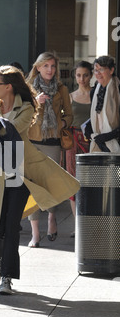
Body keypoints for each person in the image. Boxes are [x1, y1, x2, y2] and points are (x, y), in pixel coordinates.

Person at [0, 65, 79, 295]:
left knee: (11, 226)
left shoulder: (27, 107)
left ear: (8, 87)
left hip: (21, 174)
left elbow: (11, 130)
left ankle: (7, 277)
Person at [26, 52, 73, 247]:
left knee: (52, 184)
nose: (50, 70)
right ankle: (35, 234)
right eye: (46, 66)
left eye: (53, 66)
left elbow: (70, 115)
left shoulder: (61, 89)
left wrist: (61, 123)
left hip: (53, 142)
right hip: (33, 141)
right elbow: (23, 115)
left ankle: (52, 216)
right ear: (38, 67)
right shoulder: (27, 89)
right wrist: (38, 103)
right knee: (33, 187)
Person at [66, 61, 92, 236]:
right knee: (72, 180)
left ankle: (89, 220)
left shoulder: (97, 94)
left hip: (92, 141)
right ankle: (77, 225)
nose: (82, 79)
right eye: (78, 75)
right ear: (74, 76)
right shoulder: (70, 96)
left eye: (85, 75)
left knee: (90, 181)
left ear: (91, 75)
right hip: (73, 140)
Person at [84, 55, 120, 153]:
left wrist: (109, 136)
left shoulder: (118, 90)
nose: (98, 73)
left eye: (102, 69)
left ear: (111, 70)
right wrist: (89, 128)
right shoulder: (94, 91)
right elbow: (98, 116)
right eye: (96, 70)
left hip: (116, 142)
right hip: (99, 143)